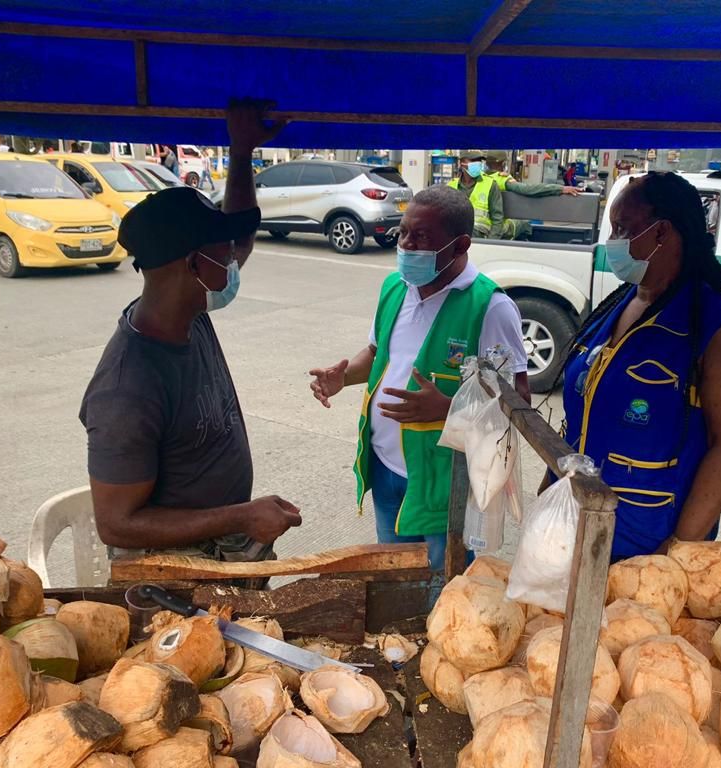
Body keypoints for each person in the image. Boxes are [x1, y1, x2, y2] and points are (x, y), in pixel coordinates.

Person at [79, 99, 300, 565]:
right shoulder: (127, 389)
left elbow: (242, 236)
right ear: (194, 264)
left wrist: (240, 155)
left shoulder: (187, 311)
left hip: (225, 545)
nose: (236, 259)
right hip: (175, 575)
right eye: (224, 254)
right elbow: (116, 523)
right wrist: (240, 517)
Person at [308, 185, 530, 572]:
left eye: (422, 236)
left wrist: (449, 409)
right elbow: (378, 355)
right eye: (404, 232)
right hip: (384, 468)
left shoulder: (490, 308)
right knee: (394, 580)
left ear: (460, 245)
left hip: (443, 484)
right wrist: (343, 377)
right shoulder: (395, 287)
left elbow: (518, 401)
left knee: (442, 588)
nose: (407, 245)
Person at [558, 172, 721, 560]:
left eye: (623, 228)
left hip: (645, 542)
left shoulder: (718, 329)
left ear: (662, 232)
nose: (613, 240)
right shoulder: (620, 304)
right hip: (574, 522)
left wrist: (679, 548)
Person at [483, 150, 581, 240]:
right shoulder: (502, 180)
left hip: (482, 224)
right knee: (525, 224)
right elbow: (530, 189)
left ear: (486, 163)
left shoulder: (481, 177)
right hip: (494, 226)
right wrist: (560, 188)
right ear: (503, 164)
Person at [447, 151, 504, 239]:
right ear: (462, 163)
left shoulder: (490, 184)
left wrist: (491, 243)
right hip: (455, 238)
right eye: (473, 160)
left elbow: (497, 220)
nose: (477, 163)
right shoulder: (451, 186)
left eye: (479, 160)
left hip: (480, 237)